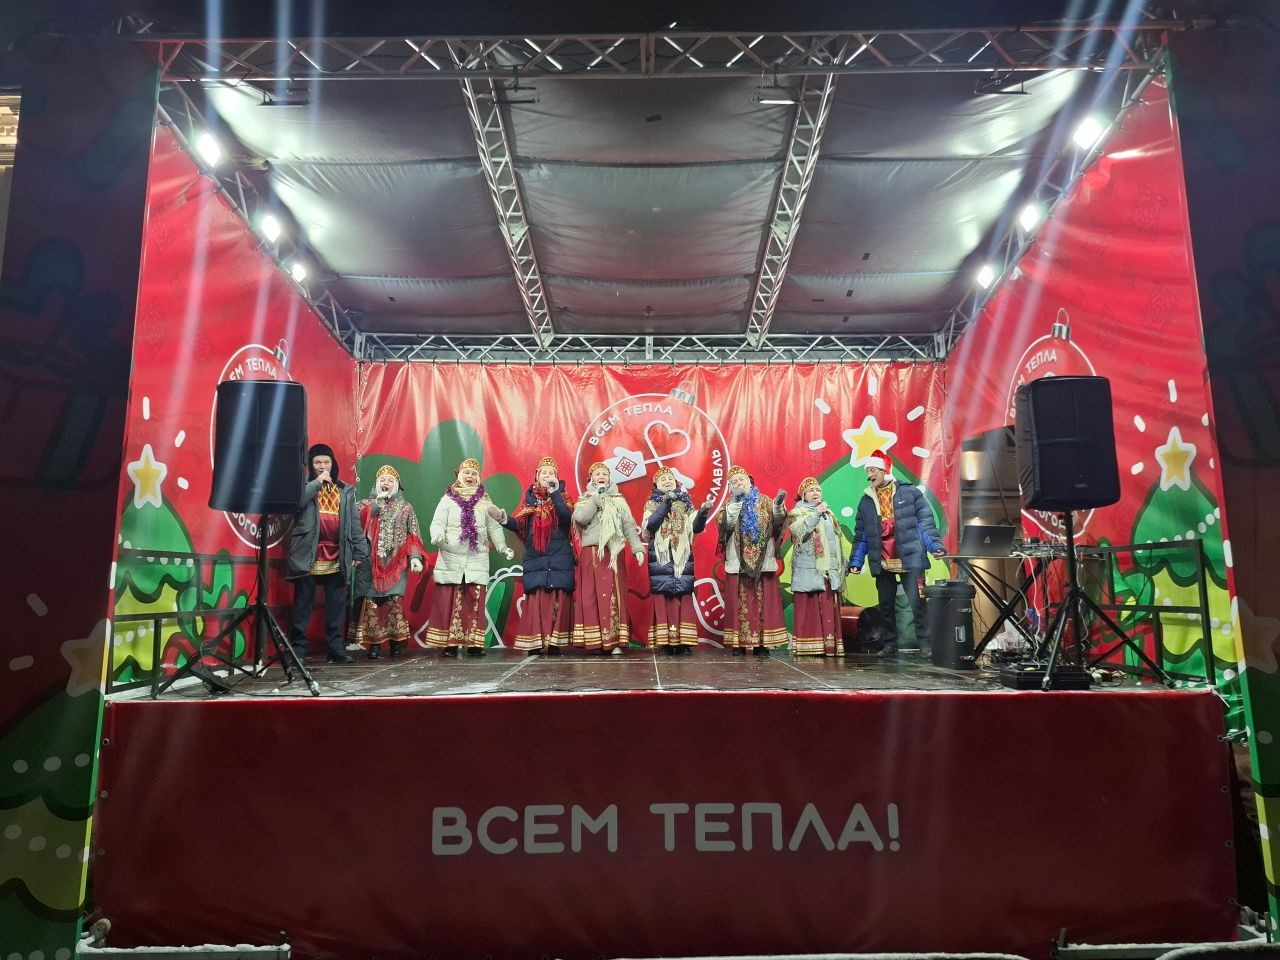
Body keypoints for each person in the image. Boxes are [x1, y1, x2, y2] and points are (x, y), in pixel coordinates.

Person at [847, 449, 946, 658]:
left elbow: (925, 523)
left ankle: (925, 644)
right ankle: (890, 644)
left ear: (883, 470)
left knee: (917, 603)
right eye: (867, 471)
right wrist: (856, 561)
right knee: (886, 605)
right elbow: (862, 534)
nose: (869, 475)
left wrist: (934, 546)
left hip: (909, 556)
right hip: (882, 559)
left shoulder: (910, 493)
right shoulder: (866, 501)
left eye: (872, 470)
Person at [287, 443, 370, 664]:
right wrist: (316, 483)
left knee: (336, 607)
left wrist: (360, 553)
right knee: (302, 606)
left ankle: (335, 650)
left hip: (337, 555)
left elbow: (354, 523)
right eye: (317, 462)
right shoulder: (304, 486)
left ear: (333, 464)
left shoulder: (345, 490)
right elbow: (296, 503)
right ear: (310, 465)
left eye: (326, 462)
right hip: (309, 554)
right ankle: (298, 651)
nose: (322, 466)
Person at [424, 457, 514, 657]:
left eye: (474, 473)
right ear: (459, 475)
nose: (470, 476)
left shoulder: (485, 501)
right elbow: (438, 522)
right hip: (451, 556)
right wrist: (437, 535)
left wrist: (502, 547)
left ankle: (474, 644)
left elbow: (494, 527)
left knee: (473, 600)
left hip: (476, 558)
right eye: (467, 472)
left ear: (478, 478)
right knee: (449, 600)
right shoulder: (447, 499)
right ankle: (449, 645)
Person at [348, 465, 425, 660]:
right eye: (382, 479)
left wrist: (415, 557)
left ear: (397, 485)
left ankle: (396, 644)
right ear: (376, 484)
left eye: (391, 480)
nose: (386, 483)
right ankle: (374, 645)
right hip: (368, 564)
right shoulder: (363, 505)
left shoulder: (406, 508)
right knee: (371, 604)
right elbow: (353, 525)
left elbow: (413, 535)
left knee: (394, 603)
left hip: (396, 565)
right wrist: (376, 505)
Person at [501, 456, 575, 656]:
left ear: (557, 477)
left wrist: (555, 493)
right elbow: (519, 524)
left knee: (557, 598)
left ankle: (554, 643)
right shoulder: (530, 501)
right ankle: (534, 642)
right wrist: (504, 520)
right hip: (536, 557)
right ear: (537, 477)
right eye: (544, 472)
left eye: (551, 473)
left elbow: (567, 518)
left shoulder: (564, 497)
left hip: (559, 557)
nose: (547, 475)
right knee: (537, 599)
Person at [571, 460, 645, 654]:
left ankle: (614, 642)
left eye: (604, 473)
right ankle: (594, 641)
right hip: (591, 552)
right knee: (591, 594)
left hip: (613, 551)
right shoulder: (584, 499)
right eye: (597, 474)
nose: (601, 476)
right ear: (591, 479)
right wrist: (596, 500)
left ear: (609, 478)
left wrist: (637, 547)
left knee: (613, 593)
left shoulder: (619, 500)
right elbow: (580, 519)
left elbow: (628, 525)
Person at [717, 465, 789, 657]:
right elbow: (725, 525)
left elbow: (778, 522)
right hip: (738, 563)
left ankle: (762, 644)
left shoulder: (765, 501)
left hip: (762, 563)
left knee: (763, 604)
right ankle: (738, 644)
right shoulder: (729, 505)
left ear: (750, 482)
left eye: (741, 479)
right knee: (739, 604)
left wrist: (778, 506)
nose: (738, 483)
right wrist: (735, 502)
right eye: (734, 482)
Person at [642, 467, 714, 655]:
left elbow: (696, 528)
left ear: (676, 482)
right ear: (656, 485)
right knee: (663, 596)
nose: (667, 481)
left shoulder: (685, 503)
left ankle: (683, 642)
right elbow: (649, 526)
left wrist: (703, 512)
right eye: (663, 479)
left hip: (682, 558)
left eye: (670, 478)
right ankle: (666, 642)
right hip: (661, 558)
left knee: (683, 595)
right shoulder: (651, 504)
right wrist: (666, 503)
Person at [787, 477, 847, 657]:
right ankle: (808, 648)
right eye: (811, 490)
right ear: (803, 495)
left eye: (818, 490)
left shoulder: (829, 514)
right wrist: (816, 513)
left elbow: (835, 540)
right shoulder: (796, 513)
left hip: (827, 571)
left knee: (828, 608)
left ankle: (829, 648)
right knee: (810, 609)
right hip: (809, 570)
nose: (816, 493)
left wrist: (842, 563)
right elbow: (800, 532)